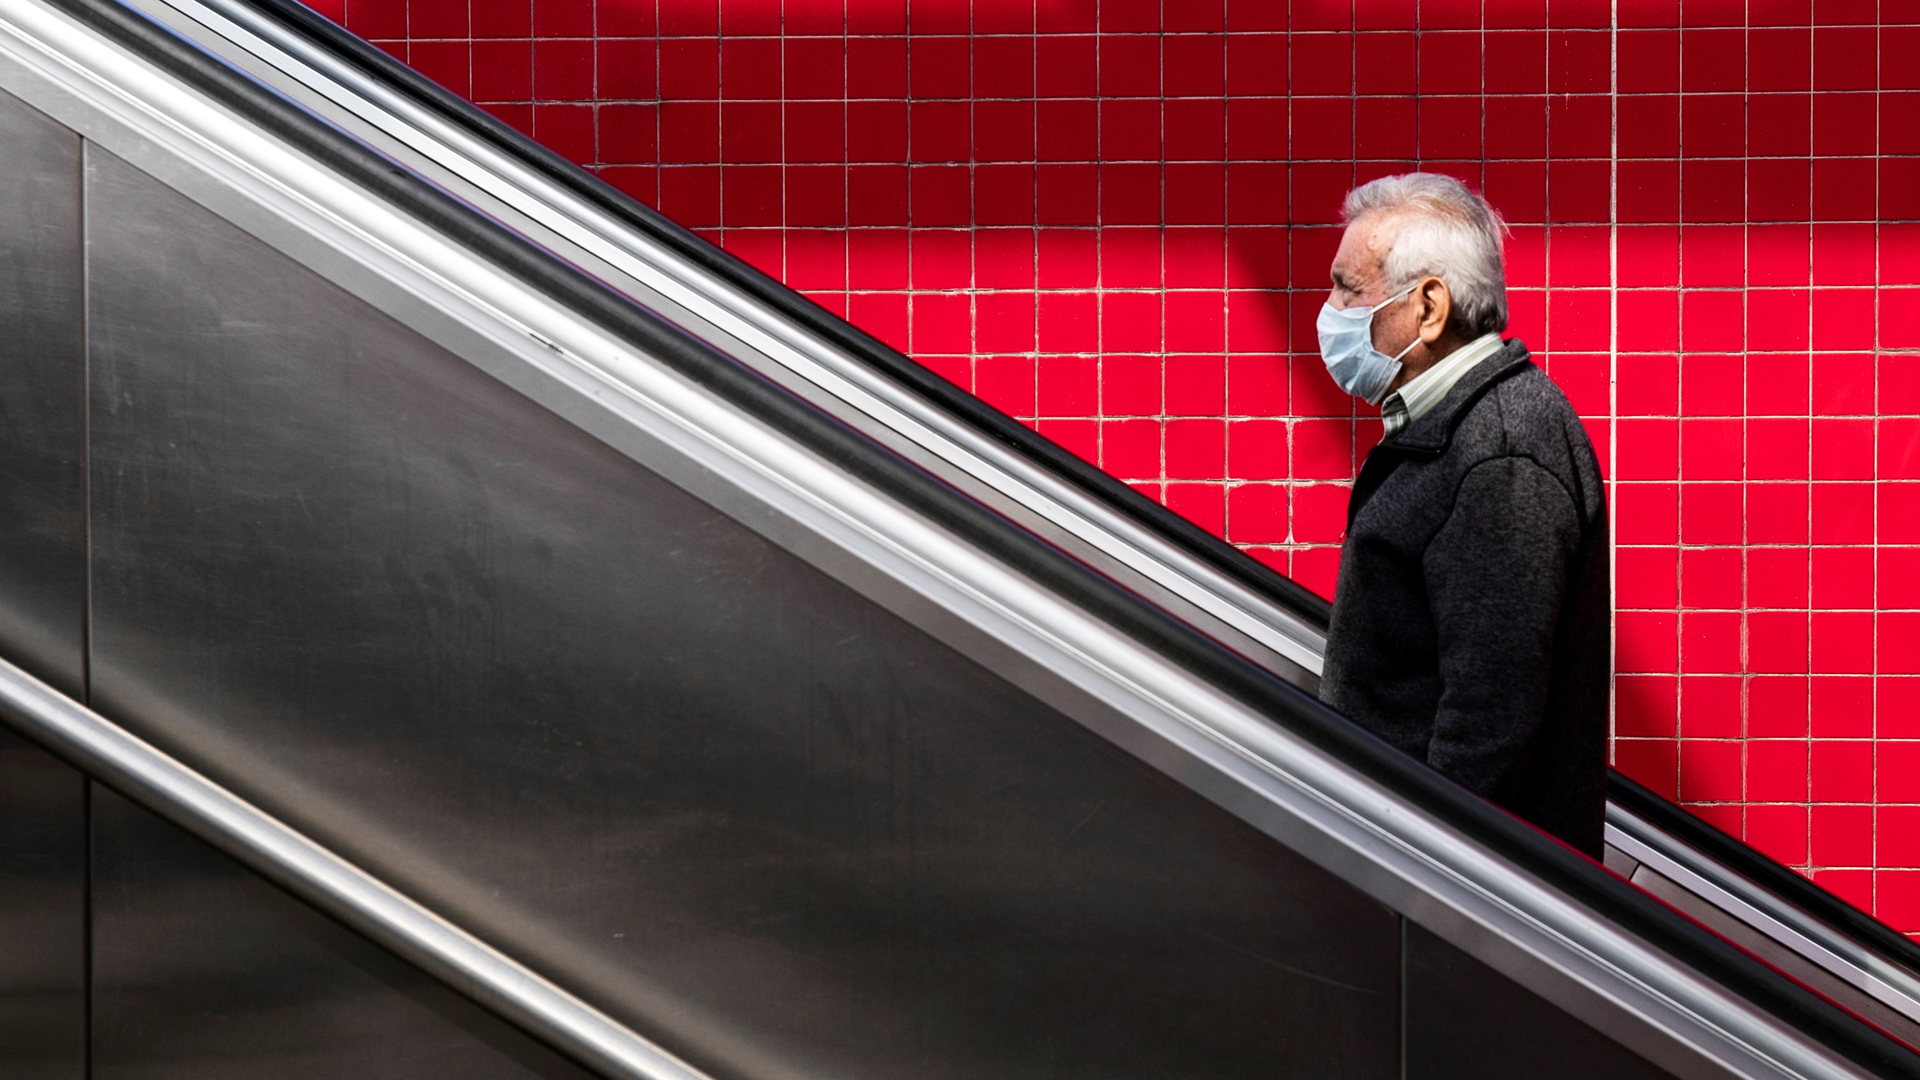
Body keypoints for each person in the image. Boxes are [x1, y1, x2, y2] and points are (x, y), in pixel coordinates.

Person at [1315, 173, 1611, 857]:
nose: (1330, 310)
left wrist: (1423, 882)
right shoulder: (1462, 429)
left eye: (1347, 288)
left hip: (1446, 903)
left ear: (1427, 307)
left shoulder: (1499, 452)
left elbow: (1488, 720)